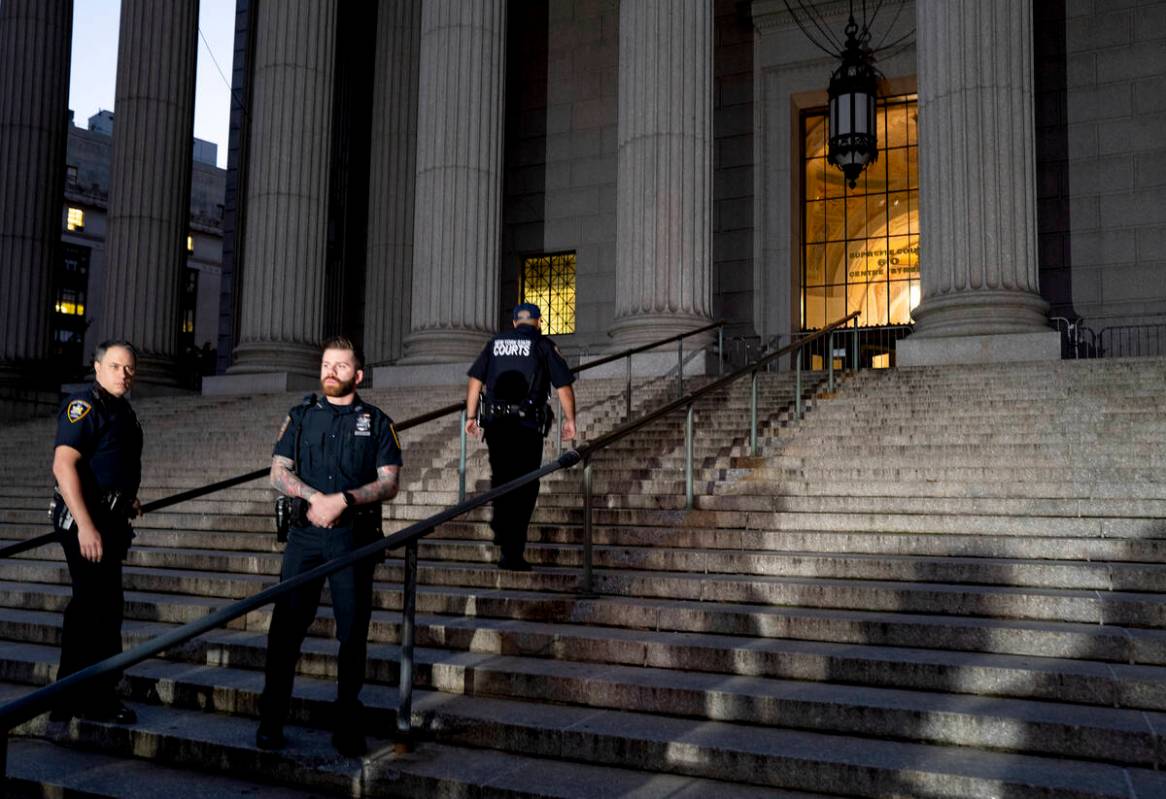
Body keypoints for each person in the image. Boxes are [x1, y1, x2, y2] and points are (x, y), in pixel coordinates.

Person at [256, 337, 402, 758]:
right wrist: (314, 498)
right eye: (326, 364)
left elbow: (390, 482)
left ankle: (347, 723)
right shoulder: (300, 416)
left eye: (340, 366)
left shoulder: (376, 422)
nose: (330, 372)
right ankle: (272, 718)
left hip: (352, 537)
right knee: (285, 629)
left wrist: (346, 499)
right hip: (304, 536)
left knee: (352, 633)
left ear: (357, 375)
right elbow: (278, 471)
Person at [49, 340, 143, 724]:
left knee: (96, 609)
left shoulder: (121, 410)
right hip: (85, 522)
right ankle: (91, 697)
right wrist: (86, 525)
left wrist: (127, 499)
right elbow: (63, 464)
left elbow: (108, 462)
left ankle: (69, 697)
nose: (124, 374)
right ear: (98, 366)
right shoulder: (84, 405)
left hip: (110, 520)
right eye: (117, 366)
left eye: (130, 368)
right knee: (97, 610)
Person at [465, 303, 576, 571]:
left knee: (502, 479)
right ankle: (512, 552)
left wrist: (470, 416)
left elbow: (475, 380)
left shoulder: (495, 343)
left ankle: (503, 533)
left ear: (515, 322)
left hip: (496, 425)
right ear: (538, 321)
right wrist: (571, 419)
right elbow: (563, 385)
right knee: (525, 485)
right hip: (526, 427)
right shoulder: (542, 344)